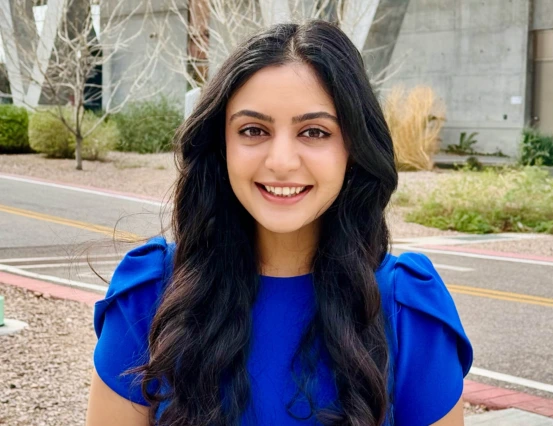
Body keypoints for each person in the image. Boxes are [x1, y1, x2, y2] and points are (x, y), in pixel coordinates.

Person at [86, 20, 473, 426]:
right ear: (222, 147)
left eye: (315, 132)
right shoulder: (148, 296)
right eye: (253, 130)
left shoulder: (408, 310)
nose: (282, 162)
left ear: (354, 149)